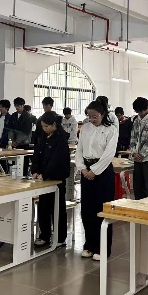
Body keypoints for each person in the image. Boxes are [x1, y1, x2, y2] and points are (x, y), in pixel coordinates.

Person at [75, 100, 118, 261]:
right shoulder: (85, 128)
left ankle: (103, 248)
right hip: (86, 170)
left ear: (103, 114)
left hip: (103, 171)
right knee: (87, 209)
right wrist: (83, 168)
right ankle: (89, 245)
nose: (92, 119)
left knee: (102, 209)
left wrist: (95, 171)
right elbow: (79, 150)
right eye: (89, 116)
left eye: (95, 116)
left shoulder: (111, 129)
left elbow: (109, 154)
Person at [32, 111, 71, 247]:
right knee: (43, 207)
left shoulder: (61, 139)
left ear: (54, 125)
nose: (44, 129)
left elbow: (57, 160)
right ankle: (45, 236)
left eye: (46, 126)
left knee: (57, 208)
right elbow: (37, 154)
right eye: (42, 126)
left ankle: (60, 238)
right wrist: (35, 170)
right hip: (43, 179)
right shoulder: (42, 136)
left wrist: (46, 174)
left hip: (57, 178)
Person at [7, 98, 33, 175]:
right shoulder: (13, 115)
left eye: (18, 106)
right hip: (14, 143)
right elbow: (10, 129)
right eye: (15, 106)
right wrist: (11, 141)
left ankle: (24, 176)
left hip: (24, 143)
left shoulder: (28, 116)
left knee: (24, 163)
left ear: (22, 105)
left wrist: (17, 141)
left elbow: (26, 131)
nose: (17, 107)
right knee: (15, 163)